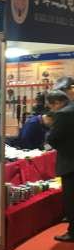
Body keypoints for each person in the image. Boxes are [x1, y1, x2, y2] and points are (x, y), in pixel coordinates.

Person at [47, 93, 74, 242]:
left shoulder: (63, 114)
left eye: (51, 106)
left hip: (69, 162)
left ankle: (73, 232)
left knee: (70, 198)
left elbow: (53, 138)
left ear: (57, 102)